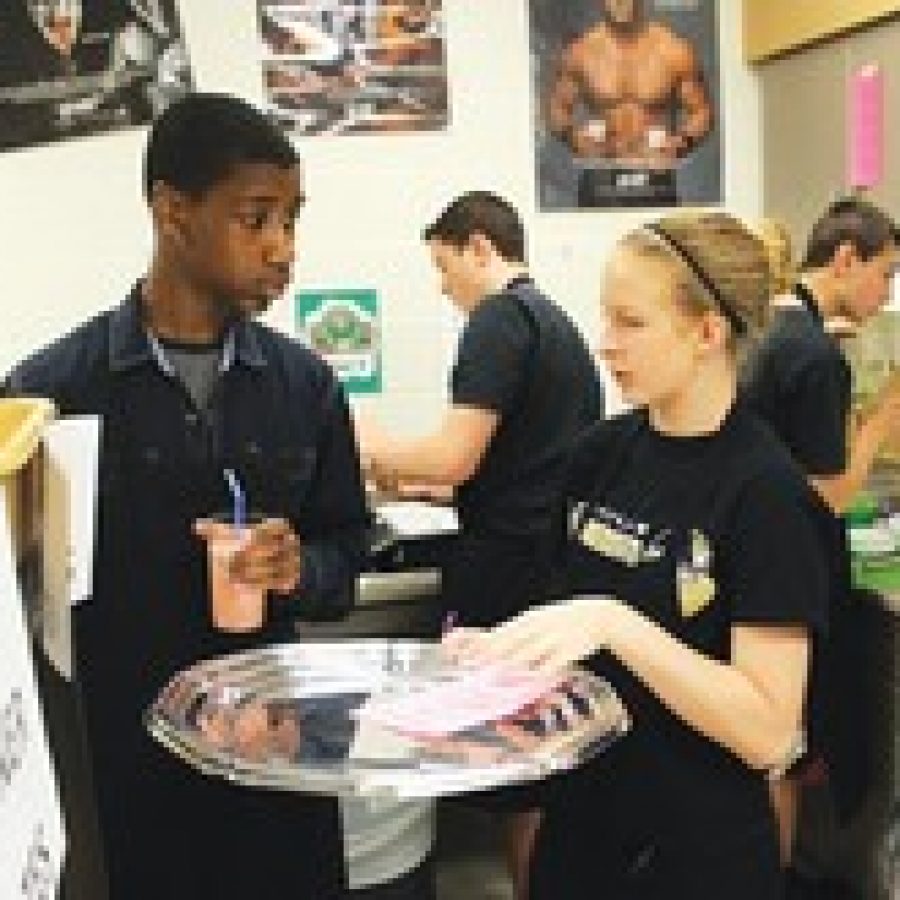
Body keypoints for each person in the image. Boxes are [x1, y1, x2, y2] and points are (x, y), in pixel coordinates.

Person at [4, 93, 369, 899]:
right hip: (128, 782)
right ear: (173, 212)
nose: (283, 248)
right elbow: (21, 613)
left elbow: (348, 561)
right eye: (256, 218)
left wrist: (296, 567)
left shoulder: (305, 387)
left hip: (273, 765)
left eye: (292, 220)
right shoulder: (49, 394)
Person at [447, 211, 832, 898]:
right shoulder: (601, 455)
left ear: (707, 333)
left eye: (631, 322)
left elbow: (768, 733)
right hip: (583, 830)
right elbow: (570, 634)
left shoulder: (765, 494)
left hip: (693, 854)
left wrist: (615, 624)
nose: (604, 343)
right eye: (605, 317)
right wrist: (495, 674)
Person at [356, 190, 604, 897]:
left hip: (509, 571)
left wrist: (374, 447)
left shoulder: (498, 319)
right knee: (534, 763)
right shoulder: (554, 324)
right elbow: (514, 466)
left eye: (444, 267)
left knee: (509, 765)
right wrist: (428, 488)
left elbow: (454, 458)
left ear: (479, 249)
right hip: (550, 561)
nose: (442, 288)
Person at [742, 197, 900, 890]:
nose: (888, 293)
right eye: (886, 274)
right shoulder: (813, 356)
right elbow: (830, 493)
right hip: (794, 572)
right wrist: (881, 419)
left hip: (752, 562)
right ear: (846, 258)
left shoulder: (783, 331)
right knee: (792, 746)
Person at [546, 0, 713, 207]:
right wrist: (574, 138)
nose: (620, 2)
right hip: (600, 176)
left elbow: (701, 111)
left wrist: (681, 143)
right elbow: (557, 108)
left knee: (652, 239)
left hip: (654, 177)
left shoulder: (674, 51)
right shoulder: (581, 53)